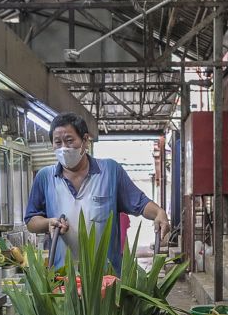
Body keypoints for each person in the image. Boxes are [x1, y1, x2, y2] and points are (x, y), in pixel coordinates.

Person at [24, 112, 171, 273]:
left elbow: (140, 203)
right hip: (63, 277)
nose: (63, 148)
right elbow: (31, 220)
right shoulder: (45, 177)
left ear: (85, 140)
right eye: (57, 142)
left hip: (107, 277)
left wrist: (159, 212)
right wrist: (48, 223)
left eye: (69, 141)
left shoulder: (110, 171)